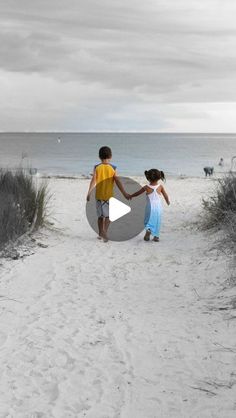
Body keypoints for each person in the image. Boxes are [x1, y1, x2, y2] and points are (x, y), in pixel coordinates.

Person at [86, 146, 129, 242]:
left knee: (100, 216)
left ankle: (101, 233)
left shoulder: (97, 167)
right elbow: (117, 181)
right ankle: (105, 231)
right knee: (109, 216)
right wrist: (124, 193)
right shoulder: (113, 168)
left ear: (99, 156)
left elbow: (94, 180)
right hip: (108, 196)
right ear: (111, 156)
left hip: (98, 196)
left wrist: (89, 192)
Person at [129, 169, 170, 242]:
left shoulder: (146, 187)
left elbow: (138, 193)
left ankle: (148, 230)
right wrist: (167, 201)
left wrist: (131, 196)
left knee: (148, 220)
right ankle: (156, 236)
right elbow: (165, 195)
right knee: (157, 220)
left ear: (148, 178)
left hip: (149, 207)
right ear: (159, 177)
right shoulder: (160, 186)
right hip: (158, 207)